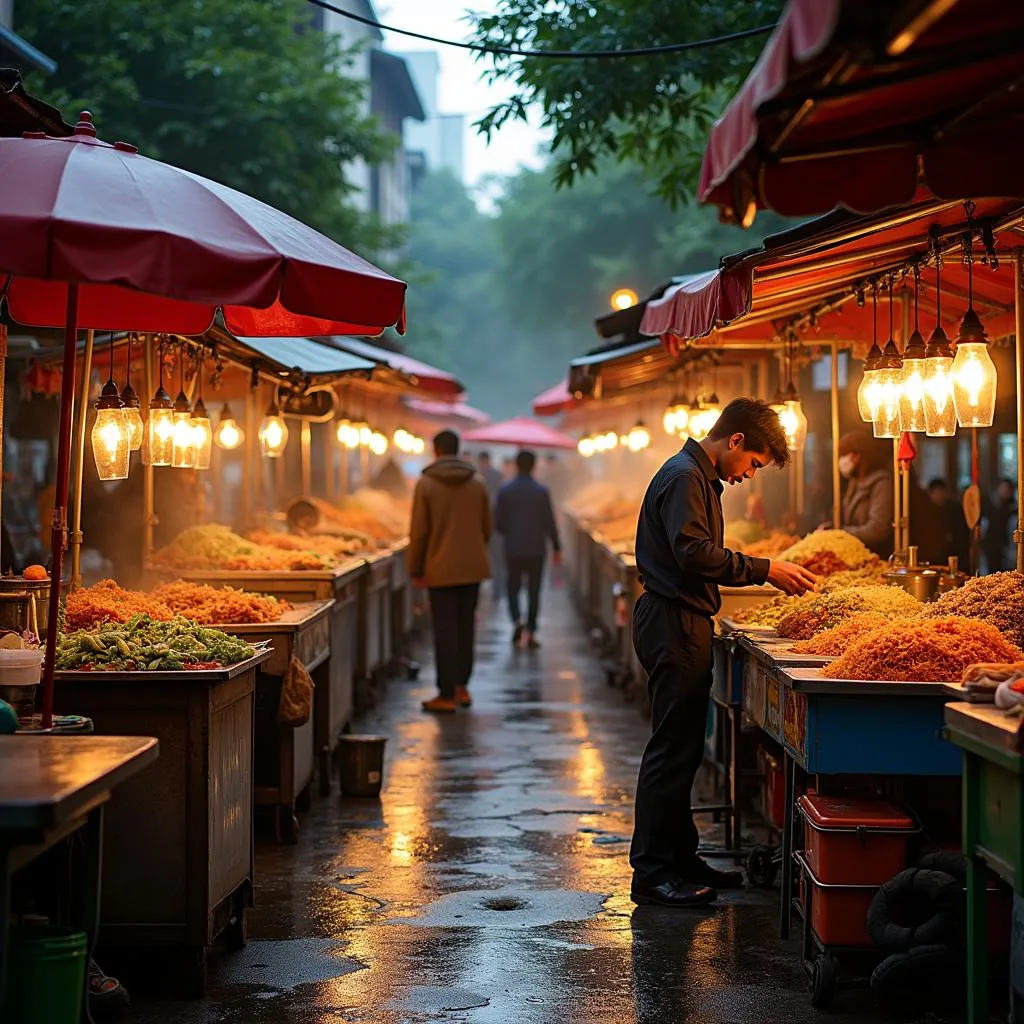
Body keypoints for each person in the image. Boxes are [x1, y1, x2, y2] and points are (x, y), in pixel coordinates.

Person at [630, 398, 817, 909]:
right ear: (734, 441)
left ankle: (680, 858)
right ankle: (651, 874)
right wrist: (764, 568)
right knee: (671, 750)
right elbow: (693, 552)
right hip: (672, 622)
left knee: (685, 749)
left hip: (681, 620)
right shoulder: (685, 477)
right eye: (753, 463)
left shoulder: (694, 475)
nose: (749, 475)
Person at [408, 430, 492, 713]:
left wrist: (415, 567)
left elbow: (419, 532)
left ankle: (445, 694)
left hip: (440, 569)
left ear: (436, 451)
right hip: (472, 568)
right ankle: (461, 687)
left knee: (444, 631)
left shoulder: (426, 484)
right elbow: (487, 528)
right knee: (465, 627)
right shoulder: (477, 484)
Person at [495, 450, 561, 649]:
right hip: (536, 549)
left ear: (516, 464)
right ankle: (531, 631)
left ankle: (516, 620)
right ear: (533, 466)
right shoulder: (541, 491)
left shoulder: (505, 490)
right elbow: (549, 522)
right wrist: (557, 547)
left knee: (513, 588)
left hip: (513, 548)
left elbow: (498, 522)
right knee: (534, 591)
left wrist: (510, 531)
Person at [833, 430, 895, 559]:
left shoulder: (882, 483)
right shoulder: (853, 483)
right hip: (854, 555)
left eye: (845, 454)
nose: (841, 460)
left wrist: (839, 532)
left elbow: (878, 529)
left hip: (877, 557)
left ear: (857, 456)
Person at [477, 451, 506, 602]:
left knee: (490, 559)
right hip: (495, 526)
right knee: (496, 560)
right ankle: (496, 590)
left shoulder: (477, 478)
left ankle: (493, 589)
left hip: (484, 527)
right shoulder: (497, 476)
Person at [927, 477, 971, 567]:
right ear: (930, 494)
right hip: (933, 558)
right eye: (936, 493)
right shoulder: (925, 511)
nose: (939, 496)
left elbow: (963, 535)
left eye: (941, 492)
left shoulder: (956, 510)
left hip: (955, 555)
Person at [983, 478, 1016, 573]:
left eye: (1008, 490)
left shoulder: (1012, 509)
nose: (1005, 492)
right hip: (990, 547)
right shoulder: (988, 505)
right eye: (1003, 489)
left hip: (1005, 549)